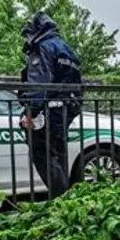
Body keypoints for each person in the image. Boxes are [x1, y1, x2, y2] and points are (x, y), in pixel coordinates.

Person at [18, 11, 82, 200]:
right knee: (58, 155)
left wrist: (30, 112)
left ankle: (62, 202)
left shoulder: (43, 47)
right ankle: (66, 201)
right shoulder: (66, 48)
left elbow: (39, 83)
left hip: (49, 108)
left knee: (43, 153)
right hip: (67, 107)